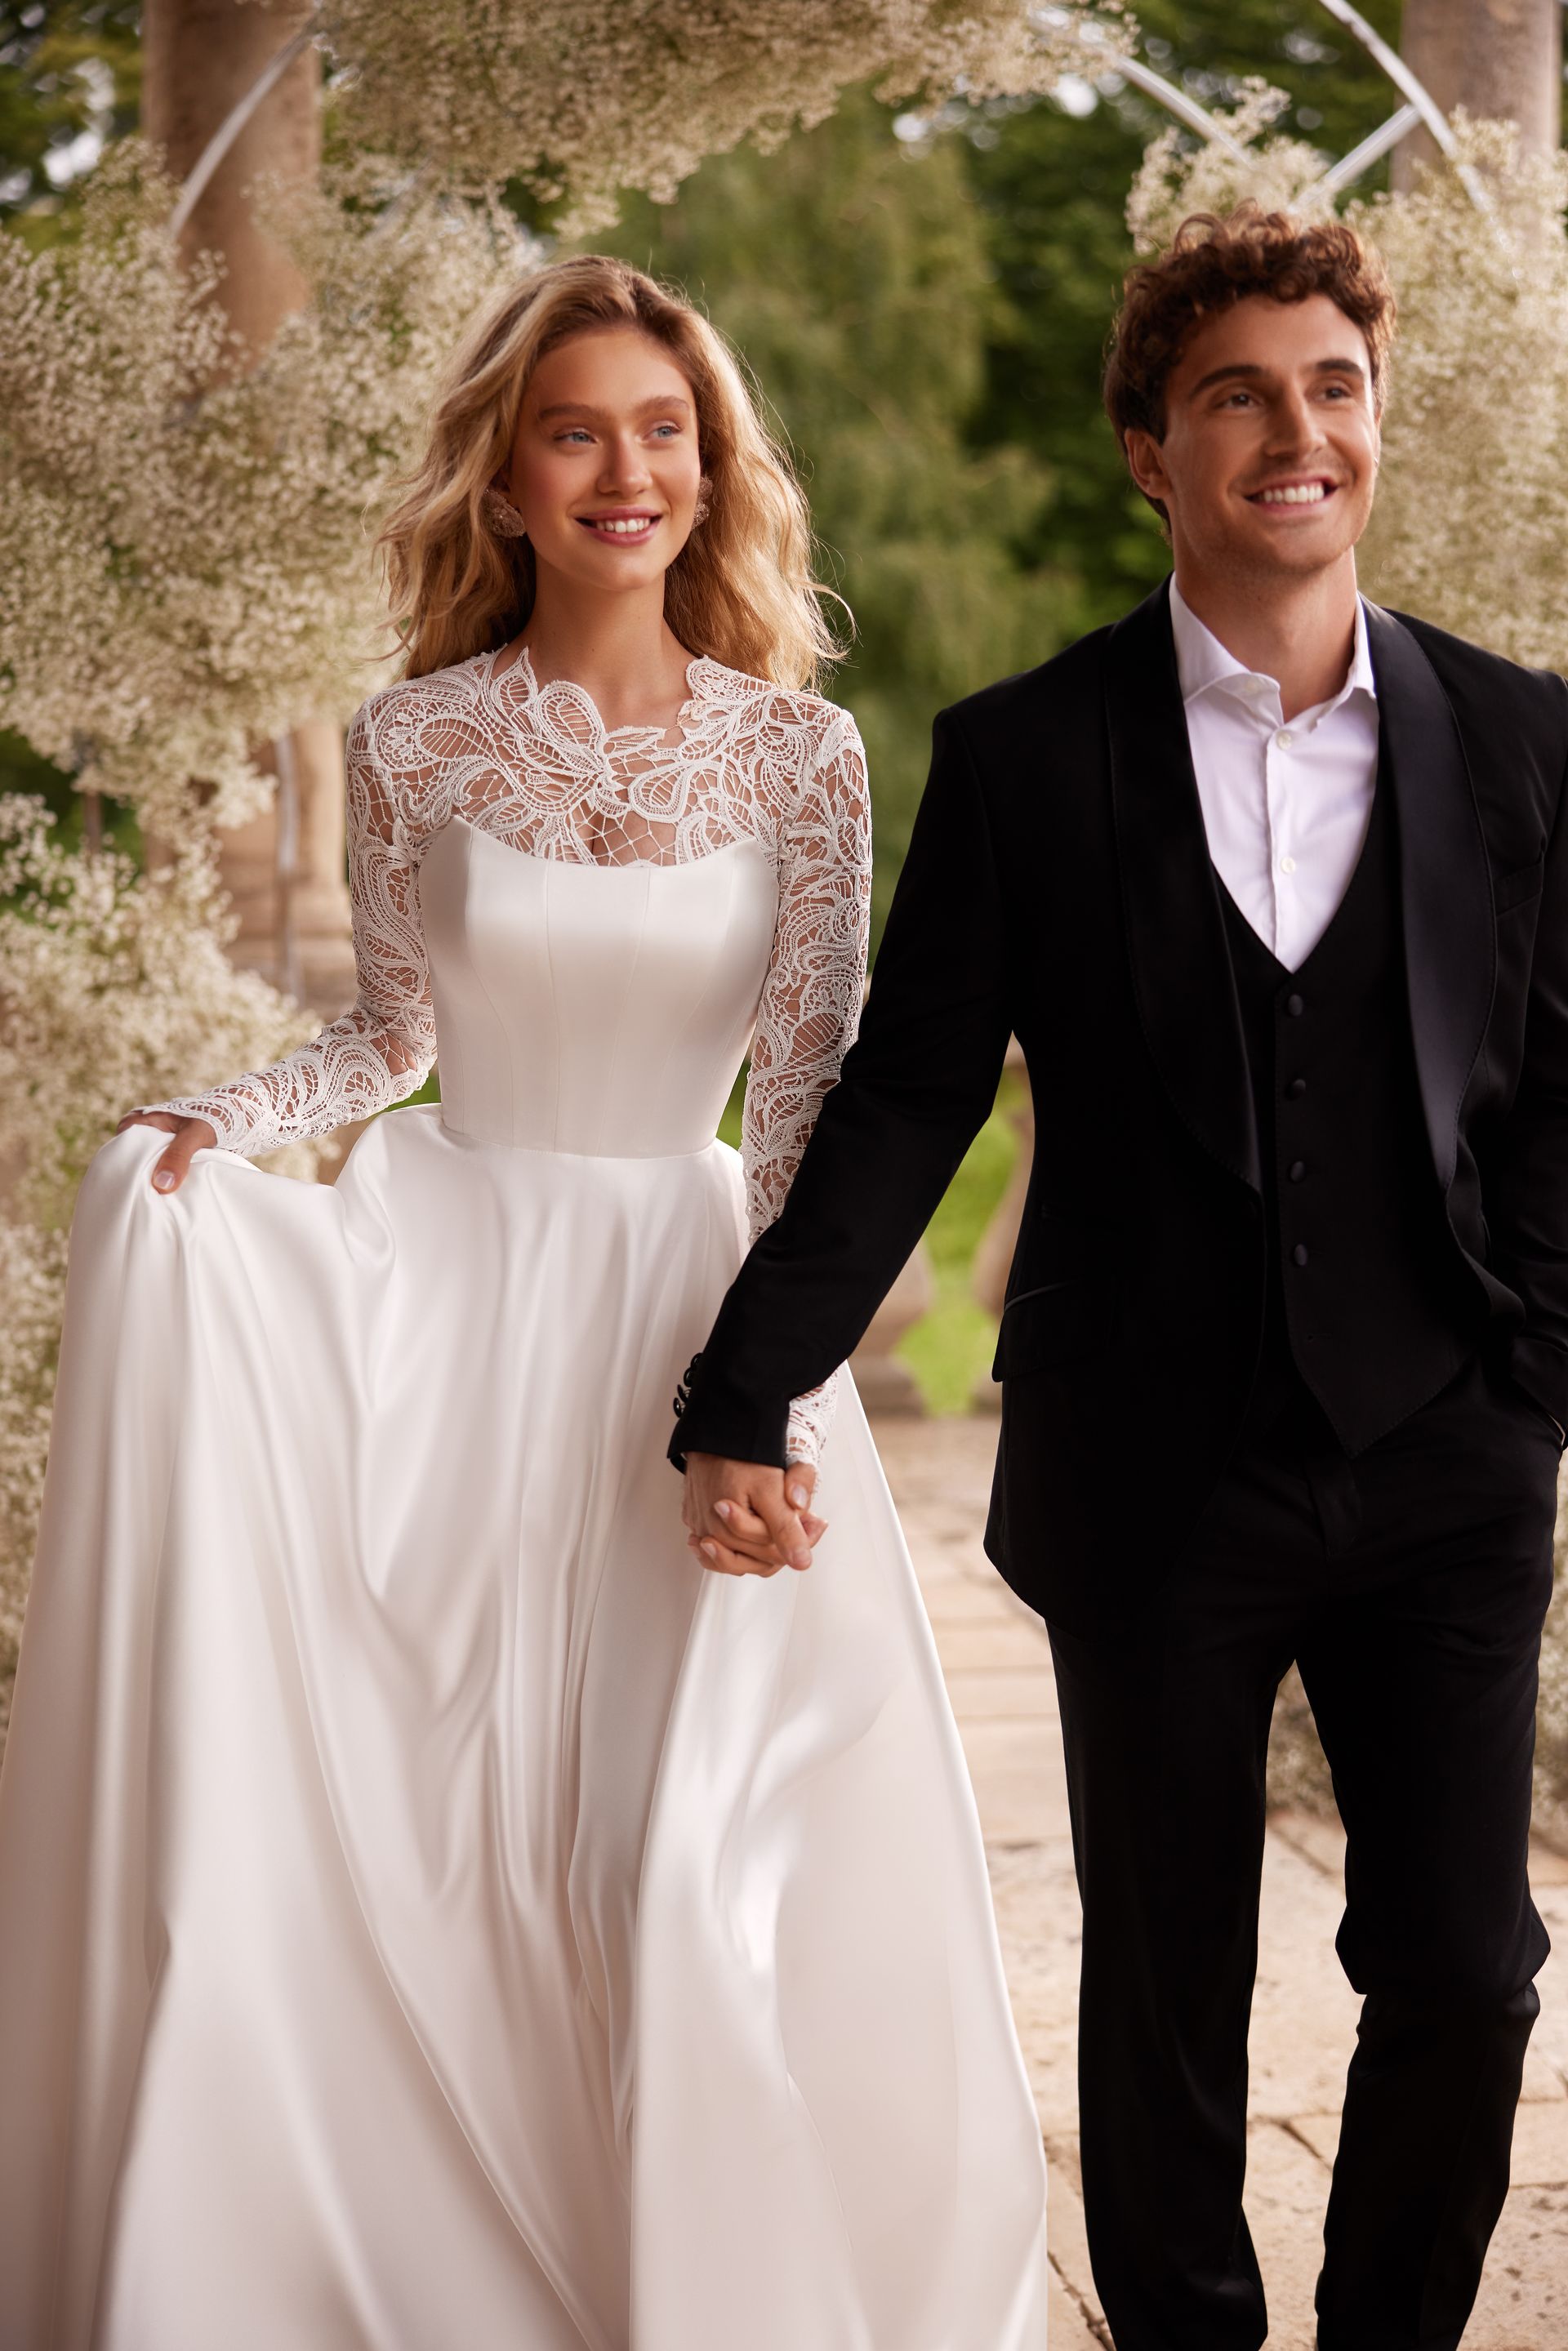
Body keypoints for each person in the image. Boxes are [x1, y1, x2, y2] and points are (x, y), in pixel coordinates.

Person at [0, 256, 1049, 2351]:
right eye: (577, 429)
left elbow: (815, 1114)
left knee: (679, 1844)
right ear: (507, 474)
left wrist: (784, 1391)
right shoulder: (414, 740)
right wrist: (225, 1113)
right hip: (441, 1308)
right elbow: (386, 1032)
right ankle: (443, 2270)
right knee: (444, 1836)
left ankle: (702, 2281)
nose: (625, 469)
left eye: (665, 431)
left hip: (691, 1315)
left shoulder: (803, 760)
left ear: (713, 468)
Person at [673, 206, 1567, 2351]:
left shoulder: (1526, 741)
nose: (1297, 431)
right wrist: (744, 1386)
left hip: (1447, 1449)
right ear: (1151, 453)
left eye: (1332, 386)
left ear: (1378, 424)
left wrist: (1530, 1359)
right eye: (1238, 394)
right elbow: (904, 1102)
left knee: (1466, 1962)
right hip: (1152, 1462)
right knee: (1168, 1982)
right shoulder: (1027, 754)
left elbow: (1553, 1085)